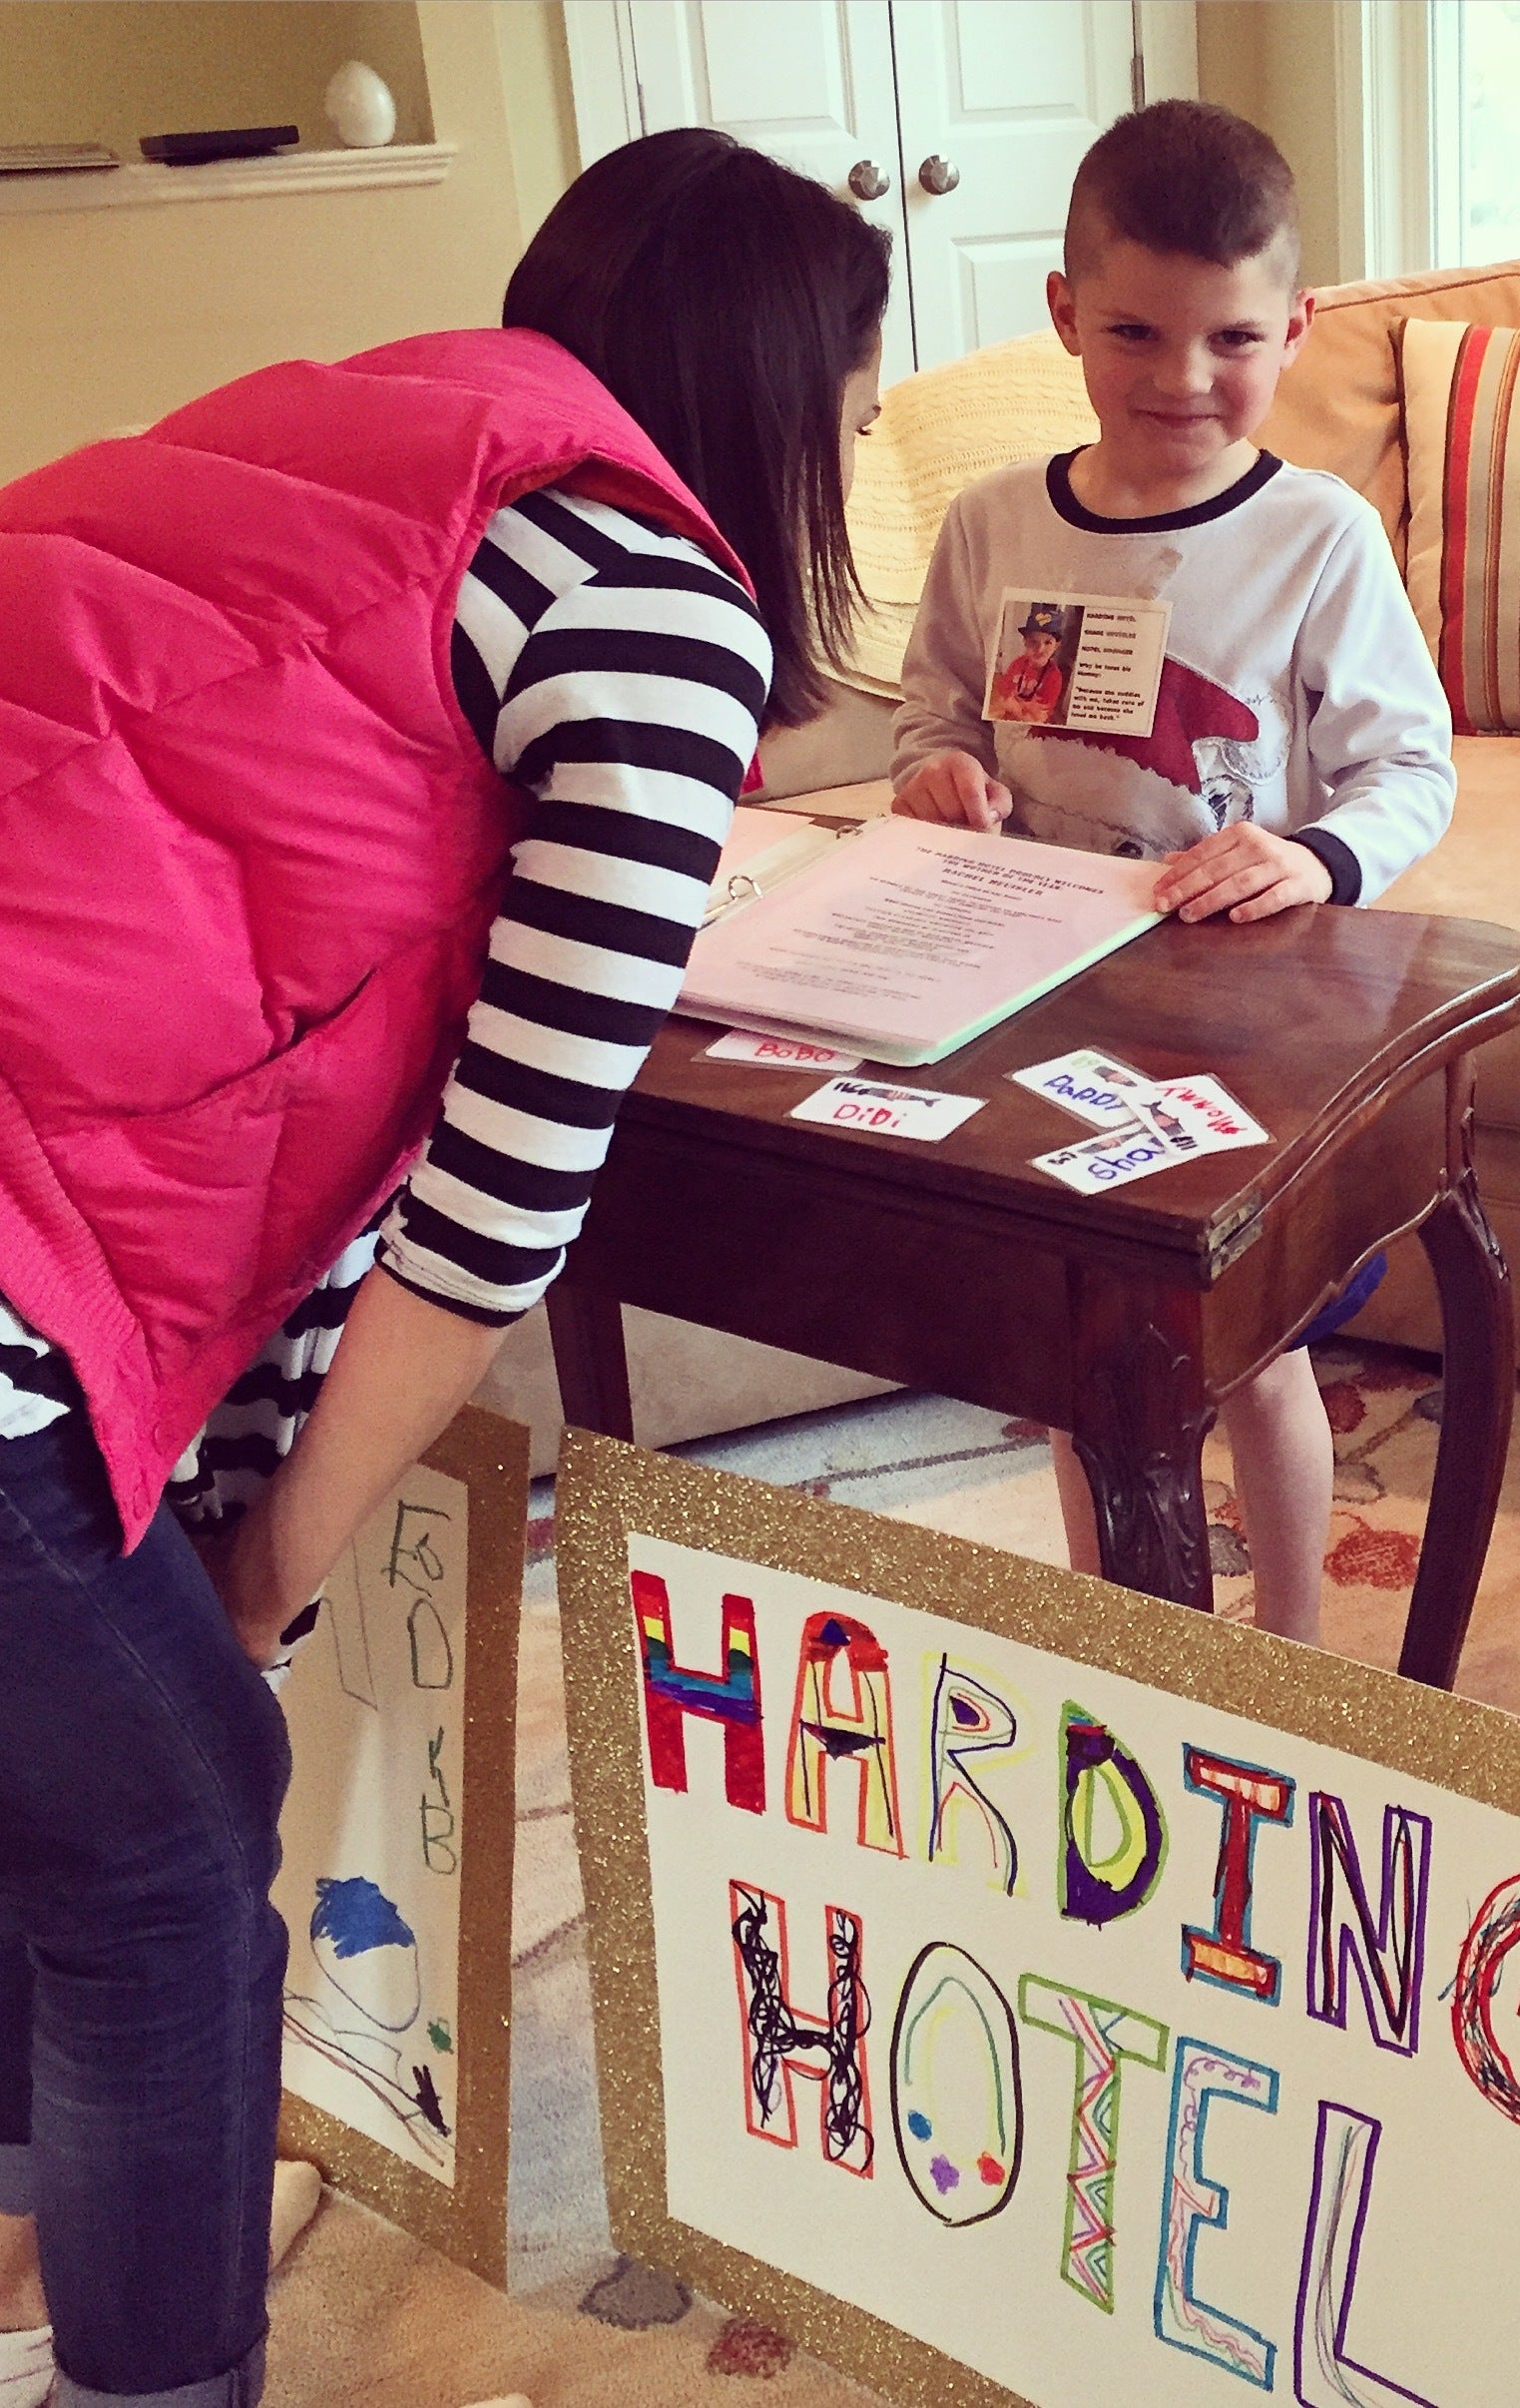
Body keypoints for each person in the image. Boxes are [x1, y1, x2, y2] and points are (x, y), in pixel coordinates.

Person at [0, 129, 886, 2408]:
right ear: (783, 401)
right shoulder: (651, 611)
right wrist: (265, 1571)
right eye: (856, 411)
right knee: (170, 1847)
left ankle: (26, 2236)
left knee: (59, 1763)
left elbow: (234, 1020)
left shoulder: (329, 432)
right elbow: (495, 1206)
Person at [886, 99, 1455, 1647]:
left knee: (1257, 1359)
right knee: (1086, 1360)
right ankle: (1125, 1642)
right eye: (1134, 332)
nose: (1183, 379)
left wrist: (1314, 853)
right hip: (1041, 1010)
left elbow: (1412, 769)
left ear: (1297, 328)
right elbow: (935, 715)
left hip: (1245, 1022)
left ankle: (1293, 1646)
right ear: (1064, 313)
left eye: (1233, 340)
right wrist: (934, 775)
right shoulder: (994, 524)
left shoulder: (1322, 538)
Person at [988, 601, 1073, 723]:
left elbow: (1041, 714)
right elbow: (1003, 694)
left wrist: (1017, 706)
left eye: (1048, 642)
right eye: (1034, 642)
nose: (1040, 649)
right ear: (1025, 641)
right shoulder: (1017, 663)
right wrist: (1016, 706)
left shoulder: (1054, 677)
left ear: (1056, 646)